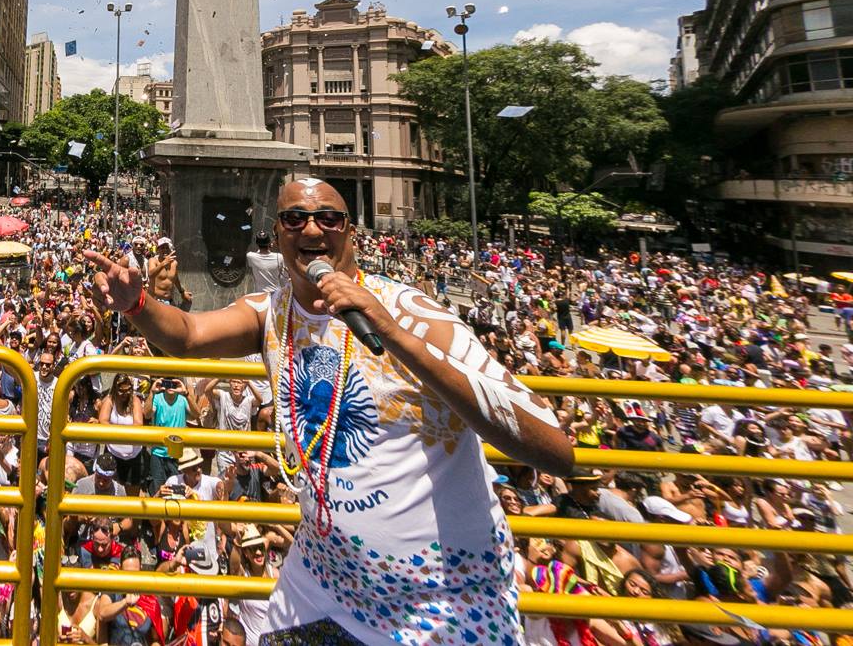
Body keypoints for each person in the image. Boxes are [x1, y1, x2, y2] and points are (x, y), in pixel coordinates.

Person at [84, 177, 574, 646]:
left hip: (443, 600)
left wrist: (392, 333)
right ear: (278, 235)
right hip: (321, 579)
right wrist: (138, 305)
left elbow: (553, 449)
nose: (312, 229)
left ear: (350, 233)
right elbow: (188, 335)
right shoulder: (270, 312)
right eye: (295, 219)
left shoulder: (416, 314)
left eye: (328, 218)